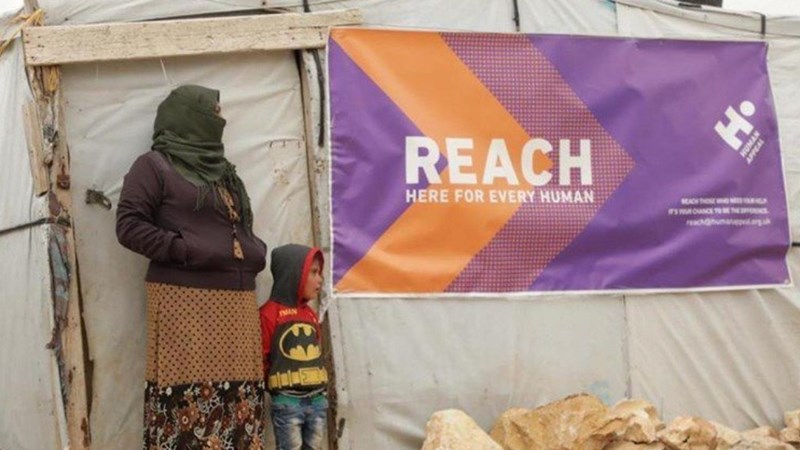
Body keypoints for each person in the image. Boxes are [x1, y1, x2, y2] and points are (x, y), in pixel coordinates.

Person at [116, 85, 268, 450]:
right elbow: (129, 225)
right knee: (188, 399)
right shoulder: (154, 166)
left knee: (239, 400)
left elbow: (238, 225)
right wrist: (182, 249)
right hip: (184, 301)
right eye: (213, 113)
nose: (220, 120)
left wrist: (252, 249)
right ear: (188, 117)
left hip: (236, 304)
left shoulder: (224, 173)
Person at [260, 244, 329, 450]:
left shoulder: (310, 315)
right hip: (287, 402)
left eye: (320, 273)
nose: (320, 279)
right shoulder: (269, 314)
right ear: (294, 274)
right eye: (313, 272)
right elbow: (262, 358)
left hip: (317, 400)